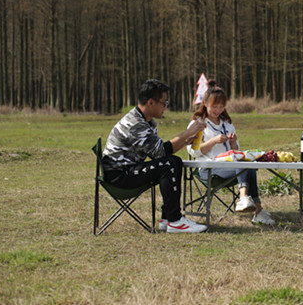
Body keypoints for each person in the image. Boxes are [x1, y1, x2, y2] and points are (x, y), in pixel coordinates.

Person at [102, 79, 208, 233]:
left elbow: (158, 154)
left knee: (175, 161)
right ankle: (175, 221)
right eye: (164, 103)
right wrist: (187, 132)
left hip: (128, 170)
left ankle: (167, 218)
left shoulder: (147, 122)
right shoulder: (135, 123)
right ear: (151, 102)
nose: (166, 107)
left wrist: (185, 141)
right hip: (119, 177)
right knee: (168, 164)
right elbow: (161, 152)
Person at [187, 81, 275, 225]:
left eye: (221, 106)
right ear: (205, 103)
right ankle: (245, 200)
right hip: (208, 169)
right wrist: (213, 141)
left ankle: (254, 207)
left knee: (249, 164)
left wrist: (233, 142)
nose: (218, 110)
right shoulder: (198, 124)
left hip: (229, 166)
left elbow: (236, 149)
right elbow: (194, 151)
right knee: (243, 164)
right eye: (214, 106)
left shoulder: (226, 123)